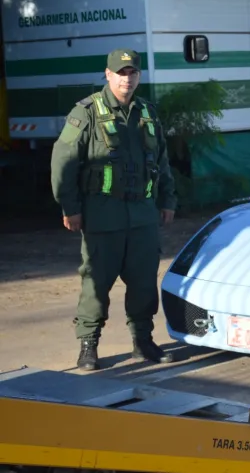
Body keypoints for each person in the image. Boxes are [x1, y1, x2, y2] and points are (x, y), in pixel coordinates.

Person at [50, 48, 178, 371]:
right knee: (95, 283)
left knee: (144, 282)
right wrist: (70, 206)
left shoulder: (147, 112)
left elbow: (161, 161)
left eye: (132, 72)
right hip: (102, 216)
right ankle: (88, 345)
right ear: (108, 75)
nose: (127, 78)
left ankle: (143, 342)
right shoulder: (87, 113)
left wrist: (168, 200)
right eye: (121, 73)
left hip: (142, 217)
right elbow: (63, 161)